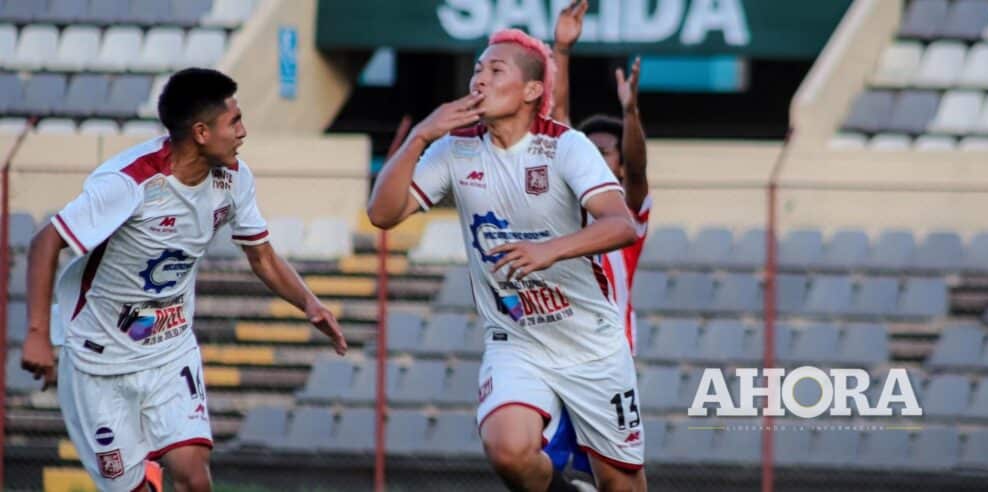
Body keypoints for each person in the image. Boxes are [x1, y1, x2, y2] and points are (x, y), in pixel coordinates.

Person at [20, 68, 348, 492]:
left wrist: (310, 304)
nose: (244, 132)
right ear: (200, 132)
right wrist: (37, 334)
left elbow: (262, 255)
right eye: (234, 121)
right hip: (98, 359)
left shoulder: (233, 178)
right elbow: (45, 243)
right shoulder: (129, 183)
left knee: (194, 476)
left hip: (168, 350)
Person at [367, 28, 646, 492]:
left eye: (496, 71)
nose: (480, 79)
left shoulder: (566, 146)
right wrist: (419, 135)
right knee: (508, 450)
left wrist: (547, 250)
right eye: (477, 69)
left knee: (622, 484)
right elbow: (381, 213)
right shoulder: (454, 149)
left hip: (590, 343)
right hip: (516, 339)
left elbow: (622, 225)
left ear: (532, 91)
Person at [544, 1, 652, 484]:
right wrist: (561, 50)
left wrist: (630, 114)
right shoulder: (568, 207)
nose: (589, 156)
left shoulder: (625, 215)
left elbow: (638, 167)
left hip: (604, 359)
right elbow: (559, 122)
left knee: (610, 480)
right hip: (552, 351)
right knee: (534, 460)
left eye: (601, 152)